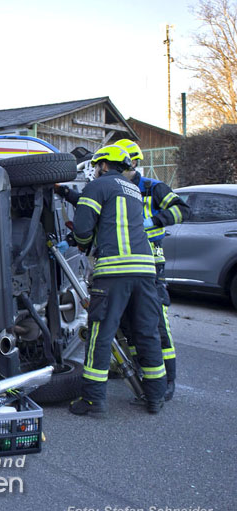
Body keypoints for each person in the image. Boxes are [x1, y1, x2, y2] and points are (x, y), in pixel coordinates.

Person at [69, 145, 167, 416]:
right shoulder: (132, 189)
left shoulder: (98, 186)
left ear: (102, 165)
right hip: (146, 271)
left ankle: (93, 401)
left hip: (114, 271)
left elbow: (83, 230)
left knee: (101, 334)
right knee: (146, 332)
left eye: (96, 165)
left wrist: (81, 243)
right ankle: (154, 397)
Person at [113, 139, 190, 401]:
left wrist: (154, 220)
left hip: (151, 260)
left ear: (133, 162)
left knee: (157, 322)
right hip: (128, 262)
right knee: (130, 323)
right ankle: (145, 373)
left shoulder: (152, 188)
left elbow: (181, 209)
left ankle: (168, 379)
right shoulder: (116, 188)